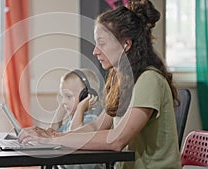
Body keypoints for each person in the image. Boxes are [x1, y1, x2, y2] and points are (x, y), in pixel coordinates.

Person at [19, 0, 181, 168]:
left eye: (102, 43)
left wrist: (53, 139)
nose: (95, 51)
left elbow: (117, 139)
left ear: (126, 44)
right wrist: (51, 134)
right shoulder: (121, 80)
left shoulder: (149, 80)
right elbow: (98, 125)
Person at [51, 68, 100, 133]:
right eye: (63, 96)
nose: (63, 101)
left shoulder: (90, 120)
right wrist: (61, 109)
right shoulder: (69, 122)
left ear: (86, 96)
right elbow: (52, 132)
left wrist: (81, 108)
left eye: (68, 96)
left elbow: (74, 136)